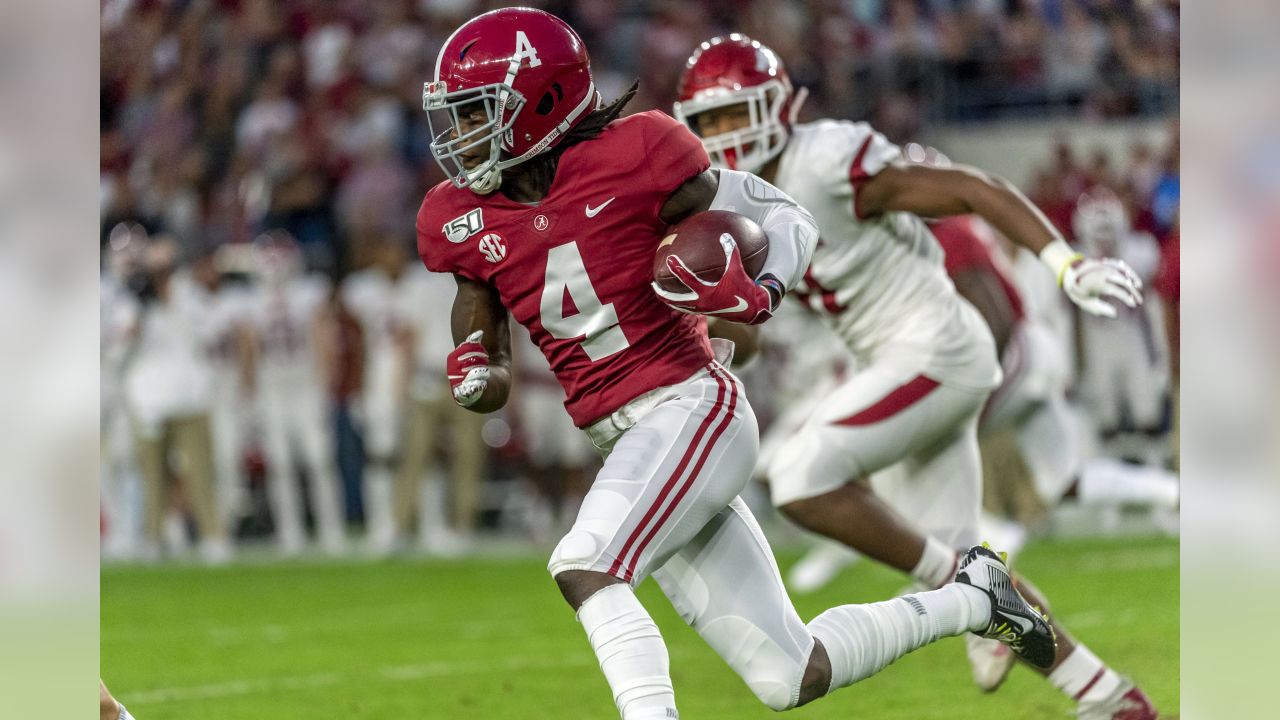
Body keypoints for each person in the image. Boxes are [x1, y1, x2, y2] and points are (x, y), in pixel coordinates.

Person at [417, 9, 1053, 719]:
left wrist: (762, 285)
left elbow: (786, 216)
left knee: (585, 563)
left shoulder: (639, 153)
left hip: (688, 405)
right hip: (629, 437)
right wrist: (481, 370)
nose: (461, 134)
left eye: (477, 111)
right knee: (792, 675)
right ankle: (973, 598)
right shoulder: (457, 215)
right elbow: (482, 320)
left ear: (541, 102)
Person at [675, 34, 1153, 719]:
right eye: (709, 123)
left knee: (799, 476)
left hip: (936, 347)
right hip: (896, 361)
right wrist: (705, 329)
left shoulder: (825, 160)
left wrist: (1063, 264)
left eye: (735, 115)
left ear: (780, 107)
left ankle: (972, 593)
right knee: (970, 566)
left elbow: (969, 187)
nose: (724, 136)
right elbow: (745, 335)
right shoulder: (729, 206)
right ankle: (1106, 695)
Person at [112, 233, 231, 564]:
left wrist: (171, 305)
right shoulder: (132, 302)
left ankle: (212, 536)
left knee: (201, 470)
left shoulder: (190, 296)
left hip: (189, 394)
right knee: (151, 474)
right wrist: (136, 324)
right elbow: (117, 353)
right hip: (148, 398)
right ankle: (152, 537)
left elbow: (207, 334)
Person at [245, 231, 347, 556]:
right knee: (280, 463)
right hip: (272, 384)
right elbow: (249, 351)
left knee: (318, 458)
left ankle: (332, 530)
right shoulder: (250, 300)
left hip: (304, 382)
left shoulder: (308, 292)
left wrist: (324, 382)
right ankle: (291, 533)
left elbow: (323, 339)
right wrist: (250, 393)